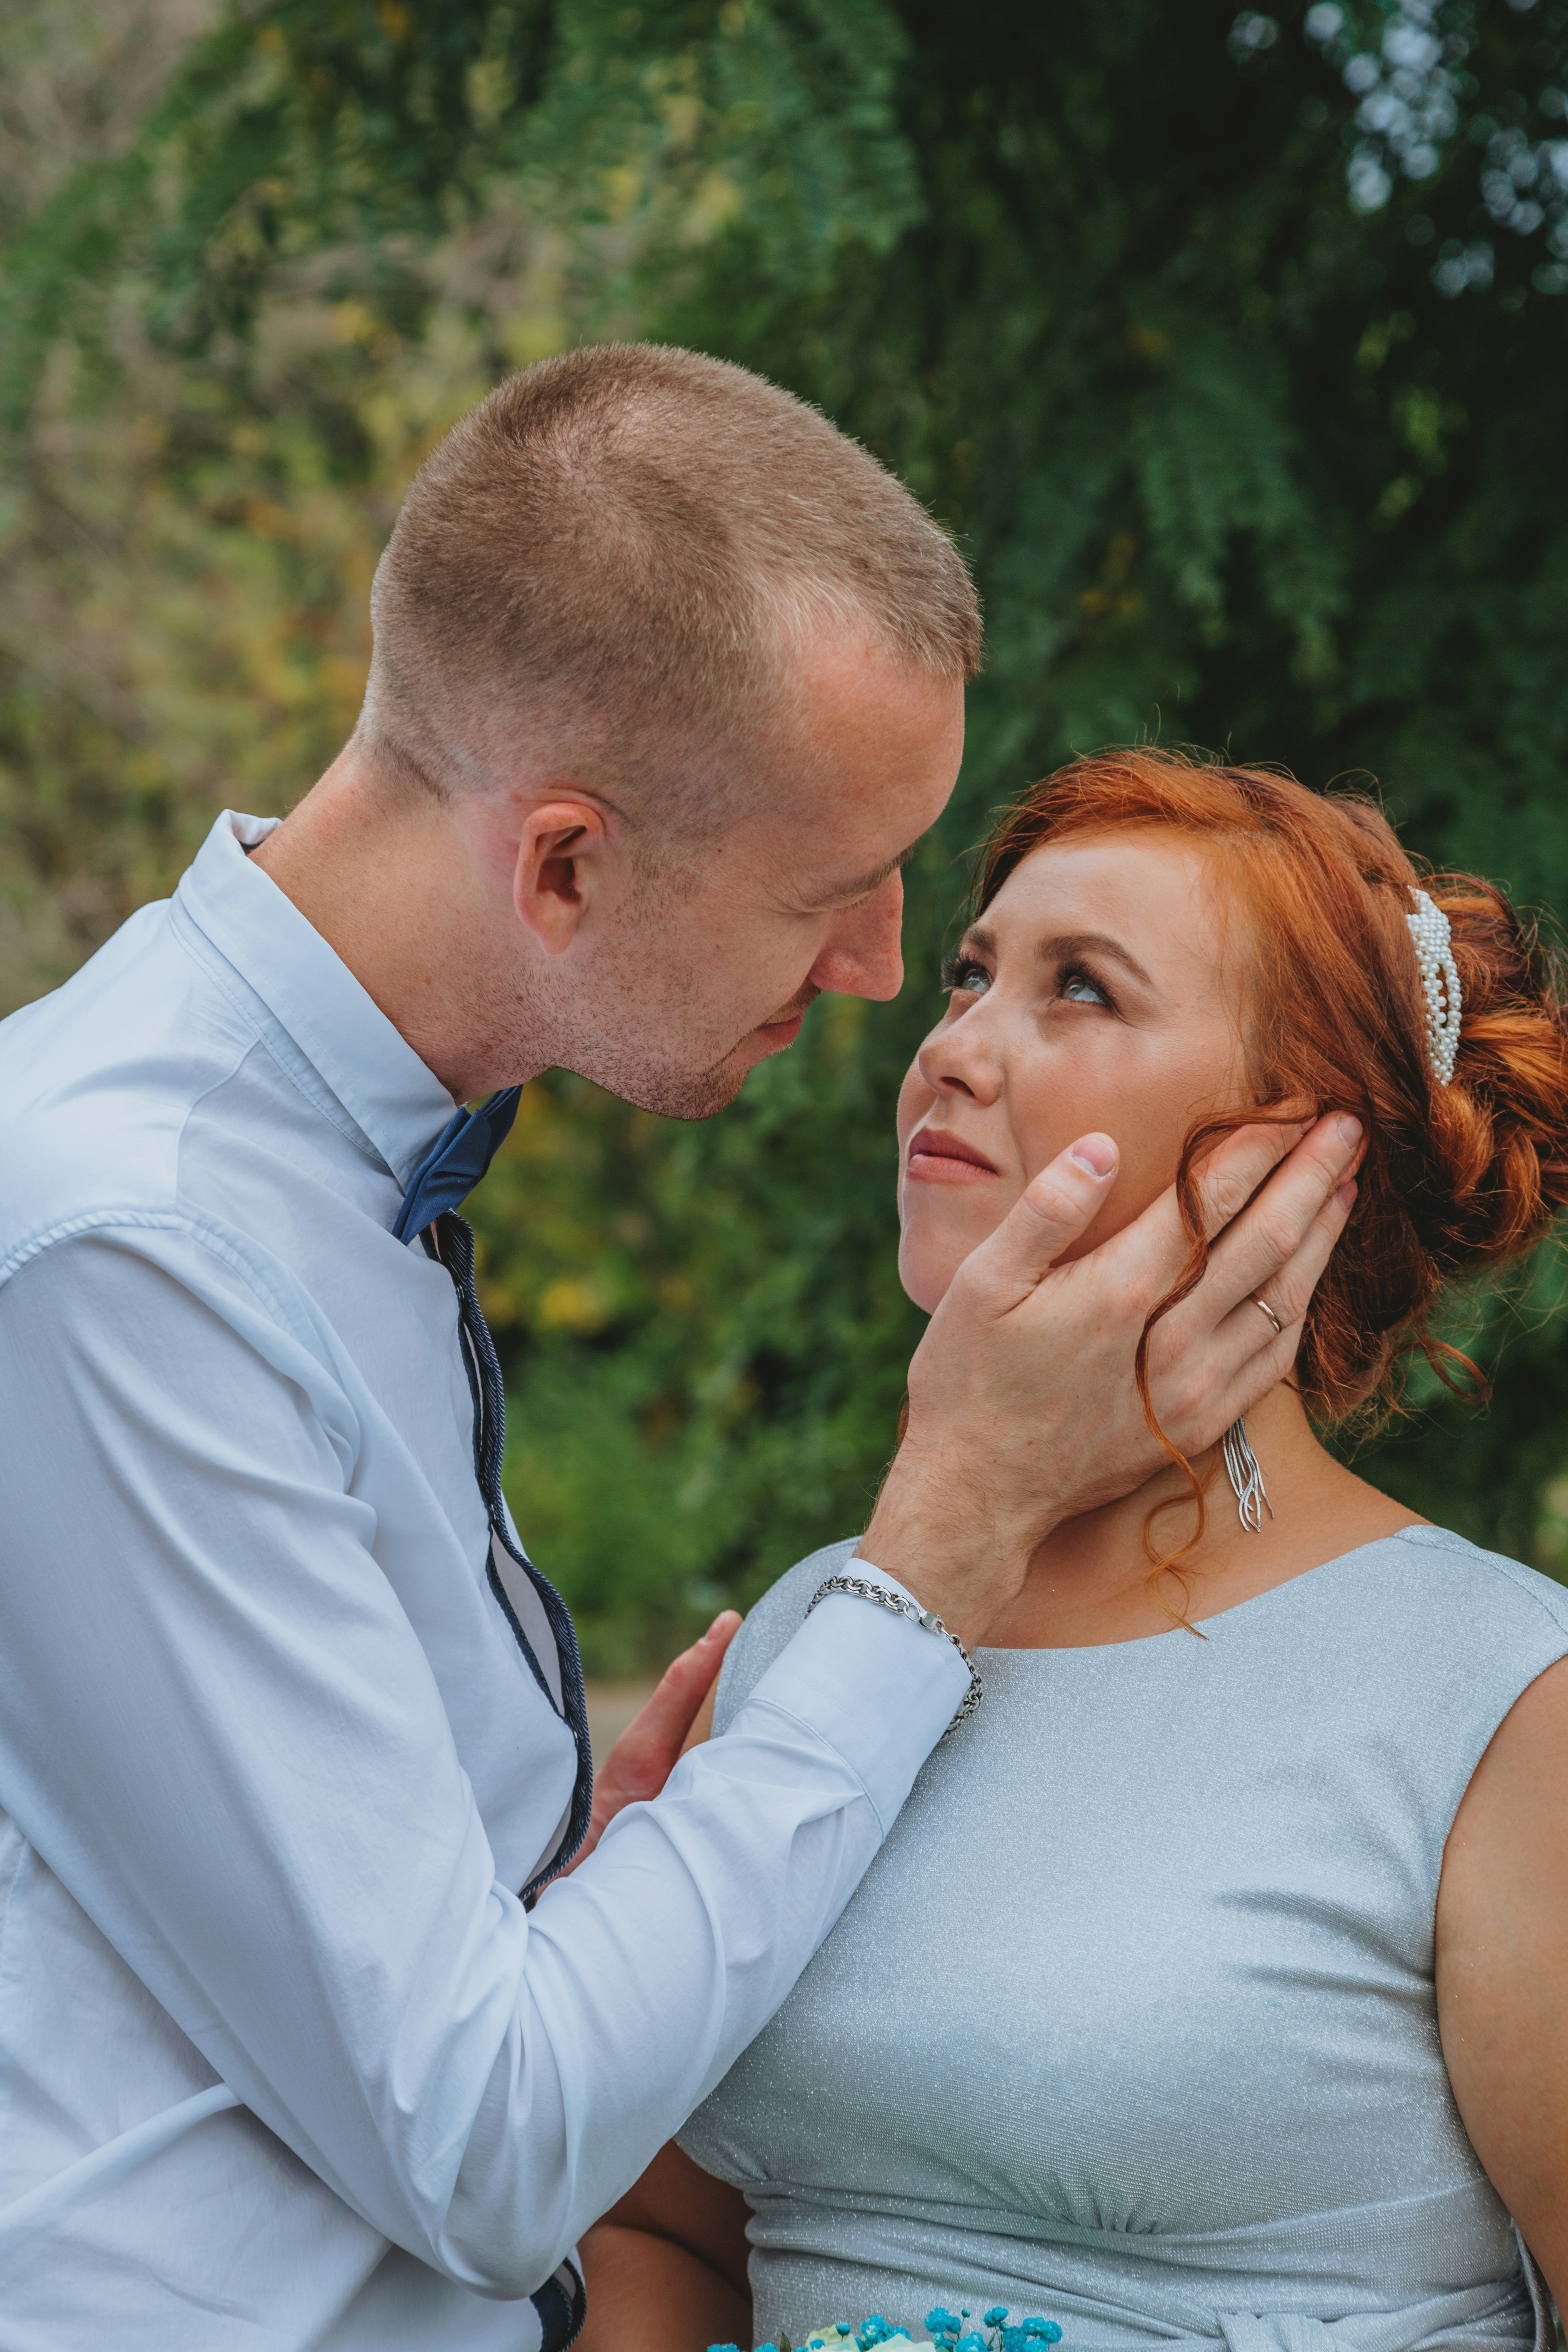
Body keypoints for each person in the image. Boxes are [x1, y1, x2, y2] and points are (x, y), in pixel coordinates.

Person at [0, 350, 1354, 2348]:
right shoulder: (138, 1249)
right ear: (562, 864)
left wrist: (572, 1893)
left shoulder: (340, 1176)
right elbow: (481, 2151)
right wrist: (947, 1535)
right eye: (833, 889)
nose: (887, 971)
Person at [582, 747, 1568, 2352]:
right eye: (972, 978)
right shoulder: (820, 1631)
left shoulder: (1504, 1706)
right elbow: (664, 2230)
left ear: (1293, 1147)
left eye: (1080, 991)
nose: (953, 1048)